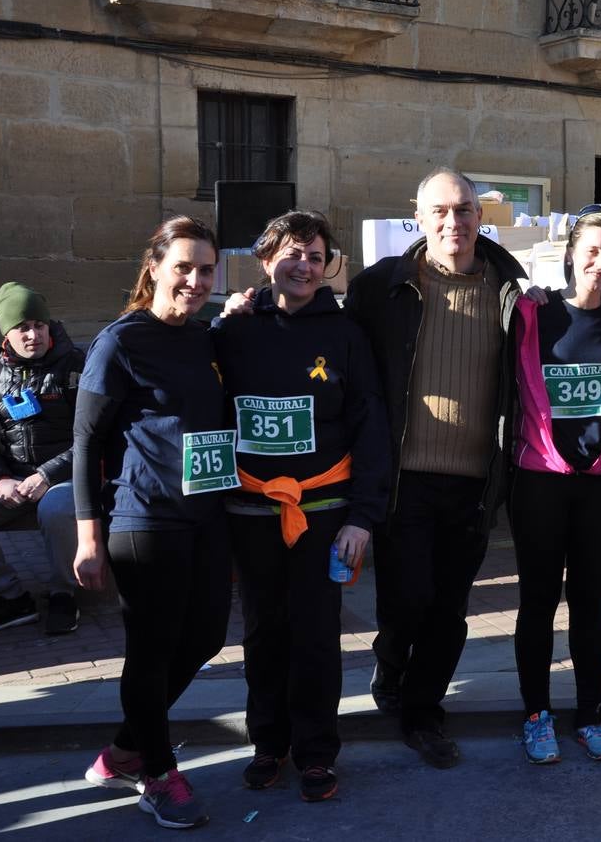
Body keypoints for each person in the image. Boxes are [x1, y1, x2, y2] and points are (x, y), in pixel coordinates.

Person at [344, 167, 528, 769]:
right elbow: (331, 344)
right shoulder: (381, 287)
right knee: (406, 600)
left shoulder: (511, 290)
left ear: (481, 216)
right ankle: (391, 662)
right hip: (404, 478)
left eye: (466, 209)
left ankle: (423, 714)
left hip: (475, 480)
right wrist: (253, 303)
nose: (455, 222)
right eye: (441, 211)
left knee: (448, 609)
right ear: (418, 217)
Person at [212, 211, 389, 802]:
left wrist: (363, 517)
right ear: (266, 260)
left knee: (315, 634)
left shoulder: (345, 334)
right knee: (263, 633)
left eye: (316, 256)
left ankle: (316, 752)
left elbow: (370, 426)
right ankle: (269, 743)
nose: (305, 266)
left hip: (324, 513)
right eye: (293, 254)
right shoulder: (233, 331)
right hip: (251, 512)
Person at [73, 217, 231, 830]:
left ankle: (123, 748)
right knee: (153, 647)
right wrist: (89, 536)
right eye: (184, 267)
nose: (195, 280)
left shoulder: (204, 339)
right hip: (145, 519)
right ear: (155, 268)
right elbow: (87, 443)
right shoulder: (119, 341)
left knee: (208, 636)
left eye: (207, 269)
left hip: (205, 513)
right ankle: (158, 775)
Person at [508, 205, 601, 764]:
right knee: (537, 601)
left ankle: (590, 713)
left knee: (590, 603)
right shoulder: (532, 314)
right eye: (592, 250)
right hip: (538, 481)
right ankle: (536, 715)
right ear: (570, 251)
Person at [0, 283, 85, 635]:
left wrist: (47, 476)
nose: (33, 334)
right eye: (22, 327)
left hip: (65, 476)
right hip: (11, 478)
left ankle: (64, 593)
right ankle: (11, 598)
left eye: (39, 325)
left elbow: (92, 437)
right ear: (7, 332)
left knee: (55, 511)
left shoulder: (76, 366)